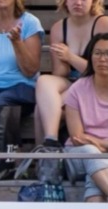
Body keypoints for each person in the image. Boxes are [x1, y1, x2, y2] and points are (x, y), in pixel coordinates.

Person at [34, 0, 108, 147]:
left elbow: (101, 68)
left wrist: (70, 57)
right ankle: (49, 146)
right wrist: (61, 59)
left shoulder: (103, 24)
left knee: (40, 110)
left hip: (97, 82)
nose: (78, 3)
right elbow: (60, 73)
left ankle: (48, 150)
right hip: (73, 82)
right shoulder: (59, 28)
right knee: (43, 83)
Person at [62, 33, 108, 202]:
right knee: (92, 153)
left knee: (95, 176)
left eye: (107, 53)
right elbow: (77, 138)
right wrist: (99, 146)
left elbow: (85, 138)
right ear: (90, 56)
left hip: (100, 160)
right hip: (78, 155)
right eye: (97, 53)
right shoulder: (77, 89)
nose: (102, 59)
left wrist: (96, 142)